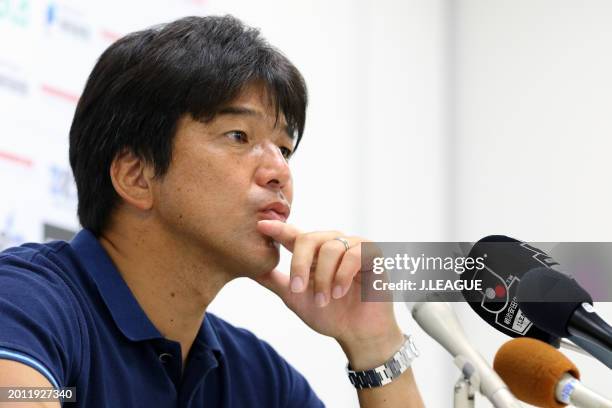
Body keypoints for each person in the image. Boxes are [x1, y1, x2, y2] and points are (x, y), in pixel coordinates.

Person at [0, 15, 423, 407]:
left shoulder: (259, 378)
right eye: (239, 135)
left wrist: (375, 345)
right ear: (135, 176)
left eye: (285, 149)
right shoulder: (23, 304)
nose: (279, 171)